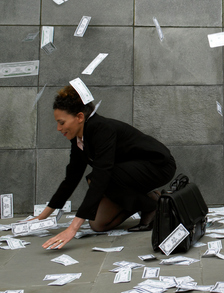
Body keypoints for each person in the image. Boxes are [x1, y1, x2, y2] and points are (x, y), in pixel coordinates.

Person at [39, 86, 176, 250]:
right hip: (127, 174)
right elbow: (72, 177)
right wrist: (42, 217)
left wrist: (72, 229)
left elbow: (102, 176)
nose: (59, 129)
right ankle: (147, 199)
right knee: (98, 224)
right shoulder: (78, 138)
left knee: (97, 178)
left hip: (158, 165)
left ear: (80, 117)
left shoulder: (101, 128)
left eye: (61, 123)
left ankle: (151, 206)